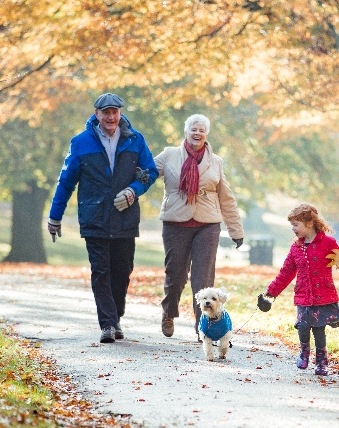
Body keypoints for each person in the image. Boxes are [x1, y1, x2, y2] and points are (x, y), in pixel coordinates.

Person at [48, 93, 158, 344]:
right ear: (96, 114)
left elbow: (150, 172)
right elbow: (66, 182)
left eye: (114, 112)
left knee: (123, 271)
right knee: (101, 271)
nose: (110, 117)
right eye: (105, 112)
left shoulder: (135, 140)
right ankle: (108, 323)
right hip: (94, 217)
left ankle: (115, 316)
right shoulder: (81, 142)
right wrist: (55, 217)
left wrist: (133, 191)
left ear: (120, 114)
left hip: (125, 217)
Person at [154, 114, 244, 339]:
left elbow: (227, 198)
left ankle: (202, 327)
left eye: (202, 130)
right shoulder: (169, 155)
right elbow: (145, 174)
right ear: (186, 131)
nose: (197, 133)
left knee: (202, 279)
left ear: (207, 134)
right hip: (176, 222)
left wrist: (236, 230)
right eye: (194, 129)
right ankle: (168, 313)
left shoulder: (216, 161)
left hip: (208, 224)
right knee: (175, 274)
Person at [263, 204, 339, 376]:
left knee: (319, 330)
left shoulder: (328, 243)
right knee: (303, 326)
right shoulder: (296, 248)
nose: (293, 228)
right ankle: (304, 352)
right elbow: (286, 273)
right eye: (292, 225)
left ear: (309, 223)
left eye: (296, 224)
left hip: (323, 296)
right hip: (303, 294)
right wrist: (270, 292)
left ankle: (321, 362)